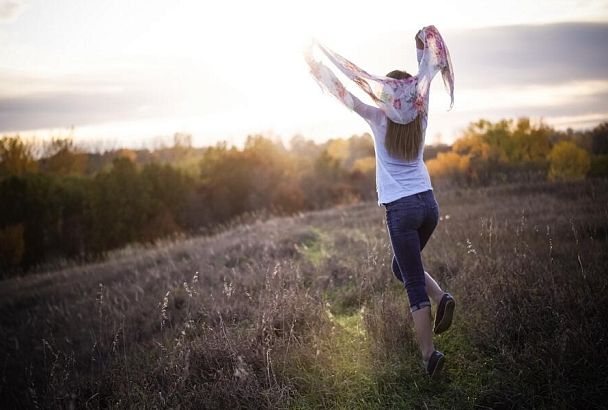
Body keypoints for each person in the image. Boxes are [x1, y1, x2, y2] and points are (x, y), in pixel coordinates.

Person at [304, 26, 456, 378]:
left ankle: (429, 356)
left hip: (401, 211)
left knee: (411, 281)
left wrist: (315, 65)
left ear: (388, 96)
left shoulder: (377, 117)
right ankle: (443, 299)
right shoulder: (421, 112)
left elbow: (344, 92)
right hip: (429, 206)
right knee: (401, 268)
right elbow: (425, 75)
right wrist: (422, 41)